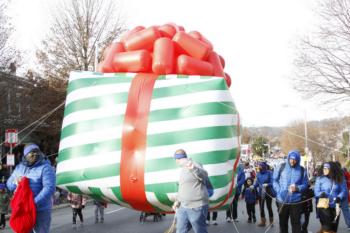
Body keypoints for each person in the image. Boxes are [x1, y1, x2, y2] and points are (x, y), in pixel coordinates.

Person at [6, 143, 56, 233]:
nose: (35, 154)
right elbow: (9, 184)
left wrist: (32, 204)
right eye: (32, 152)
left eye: (37, 152)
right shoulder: (19, 168)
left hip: (40, 210)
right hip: (23, 210)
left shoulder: (46, 168)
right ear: (25, 154)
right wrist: (15, 182)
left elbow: (49, 188)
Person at [172, 149, 209, 233]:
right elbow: (183, 188)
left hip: (196, 207)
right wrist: (177, 201)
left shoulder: (194, 164)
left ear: (177, 159)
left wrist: (194, 168)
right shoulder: (182, 169)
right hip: (183, 206)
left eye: (176, 160)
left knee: (200, 231)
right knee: (180, 230)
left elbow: (205, 176)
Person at [273, 150, 308, 233]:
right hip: (282, 200)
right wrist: (279, 191)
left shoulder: (302, 170)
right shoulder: (281, 167)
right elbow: (274, 180)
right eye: (290, 159)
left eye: (294, 160)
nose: (292, 161)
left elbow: (305, 184)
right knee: (283, 223)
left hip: (296, 201)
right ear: (288, 158)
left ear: (298, 160)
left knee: (296, 223)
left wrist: (297, 188)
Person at [314, 162, 346, 233]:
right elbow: (316, 191)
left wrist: (339, 197)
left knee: (334, 228)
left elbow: (343, 190)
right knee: (327, 228)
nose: (324, 170)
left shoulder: (339, 178)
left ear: (331, 169)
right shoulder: (320, 178)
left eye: (326, 168)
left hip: (336, 206)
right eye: (323, 168)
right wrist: (321, 194)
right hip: (324, 205)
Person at [255, 161, 274, 227]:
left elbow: (272, 182)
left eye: (260, 166)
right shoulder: (258, 174)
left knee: (269, 207)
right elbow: (257, 183)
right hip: (261, 193)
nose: (259, 167)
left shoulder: (269, 173)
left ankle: (271, 222)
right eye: (258, 166)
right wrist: (253, 186)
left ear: (263, 167)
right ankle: (263, 222)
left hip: (268, 192)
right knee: (261, 208)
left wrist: (267, 184)